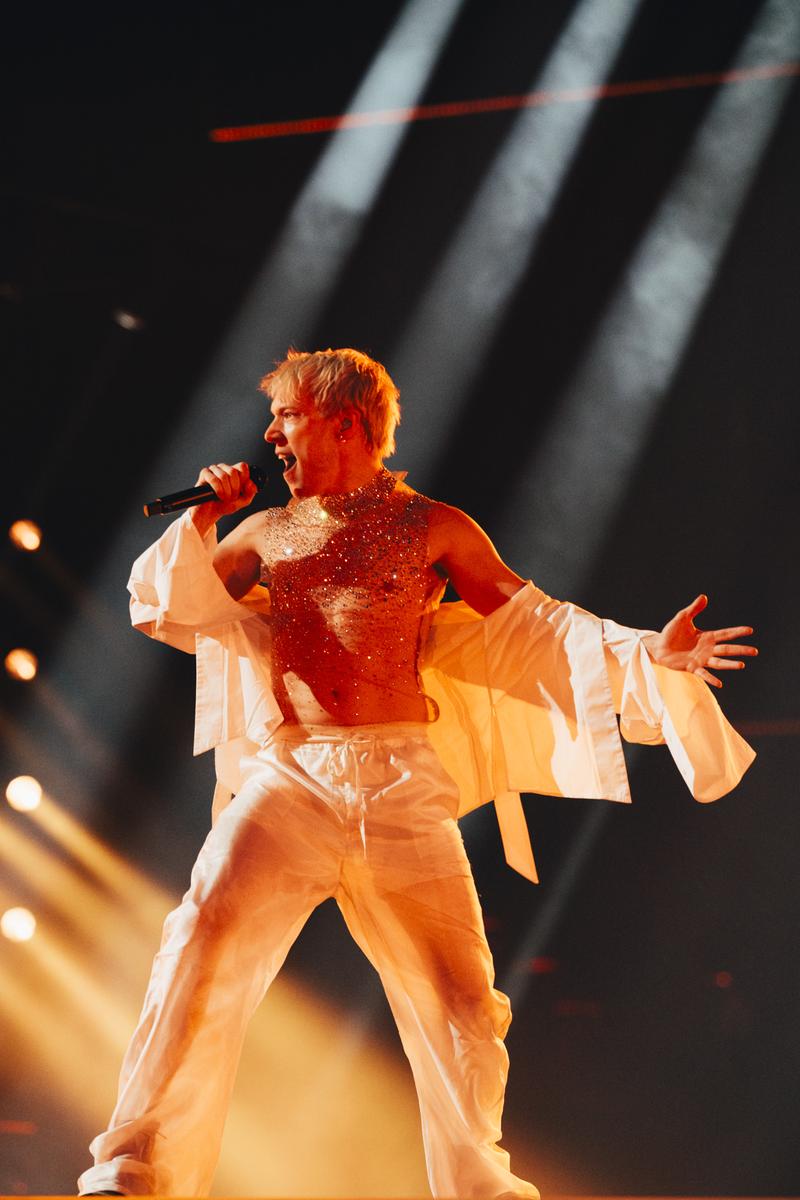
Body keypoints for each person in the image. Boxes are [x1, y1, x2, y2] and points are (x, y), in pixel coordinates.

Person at [78, 348, 757, 1198]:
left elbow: (534, 623)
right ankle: (134, 1166)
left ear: (345, 422)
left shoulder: (432, 525)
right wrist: (206, 520)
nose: (270, 433)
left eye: (285, 416)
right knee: (201, 939)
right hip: (292, 779)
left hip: (401, 781)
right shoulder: (262, 531)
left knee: (464, 1003)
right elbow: (168, 608)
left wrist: (645, 652)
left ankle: (478, 1184)